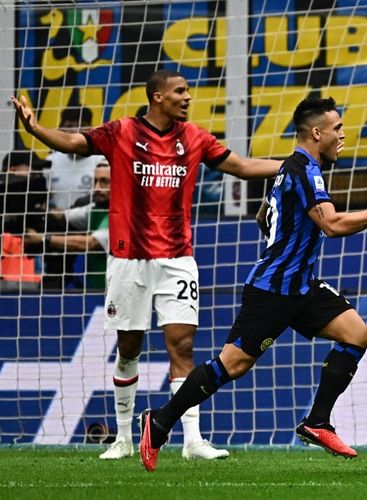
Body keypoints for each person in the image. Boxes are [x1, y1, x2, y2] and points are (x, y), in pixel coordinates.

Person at [12, 69, 282, 461]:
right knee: (129, 347)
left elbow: (239, 166)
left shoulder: (194, 138)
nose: (188, 97)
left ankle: (193, 441)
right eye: (180, 91)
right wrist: (36, 130)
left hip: (177, 259)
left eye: (188, 91)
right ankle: (122, 437)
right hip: (128, 260)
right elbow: (74, 141)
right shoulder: (121, 132)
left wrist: (291, 165)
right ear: (157, 96)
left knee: (183, 345)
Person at [136, 96, 367, 472]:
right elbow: (331, 225)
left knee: (356, 334)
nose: (343, 136)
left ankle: (317, 422)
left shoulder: (290, 169)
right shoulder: (306, 171)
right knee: (232, 365)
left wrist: (289, 242)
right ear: (317, 132)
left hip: (301, 287)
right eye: (337, 128)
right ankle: (160, 422)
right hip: (272, 290)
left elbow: (264, 215)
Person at [24, 158, 111, 290]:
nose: (97, 188)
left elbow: (89, 243)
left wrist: (43, 239)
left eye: (104, 182)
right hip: (96, 289)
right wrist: (34, 212)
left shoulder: (127, 214)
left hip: (118, 290)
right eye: (95, 181)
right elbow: (64, 215)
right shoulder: (95, 208)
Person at [0, 151, 48, 291]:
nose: (37, 178)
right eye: (33, 173)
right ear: (12, 171)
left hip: (32, 286)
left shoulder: (36, 212)